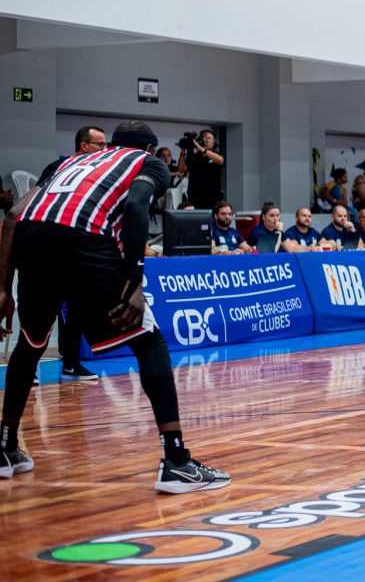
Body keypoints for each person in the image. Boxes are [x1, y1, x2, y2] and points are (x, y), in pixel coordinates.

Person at [0, 120, 230, 491]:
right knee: (149, 339)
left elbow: (12, 216)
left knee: (31, 342)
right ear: (151, 149)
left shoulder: (66, 163)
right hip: (83, 236)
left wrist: (3, 290)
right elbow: (137, 207)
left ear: (110, 145)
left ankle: (6, 446)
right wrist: (134, 282)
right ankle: (175, 461)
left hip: (32, 237)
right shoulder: (147, 163)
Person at [34, 125, 110, 383]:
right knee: (44, 309)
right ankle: (30, 367)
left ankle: (71, 364)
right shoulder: (57, 167)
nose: (104, 149)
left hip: (79, 248)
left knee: (78, 308)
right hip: (50, 245)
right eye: (100, 144)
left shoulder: (98, 172)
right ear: (84, 146)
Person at [177, 130, 223, 210]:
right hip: (195, 197)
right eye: (203, 138)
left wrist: (201, 148)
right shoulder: (194, 156)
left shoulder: (216, 155)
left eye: (208, 138)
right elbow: (181, 169)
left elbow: (220, 160)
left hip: (212, 197)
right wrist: (183, 150)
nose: (206, 140)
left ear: (214, 141)